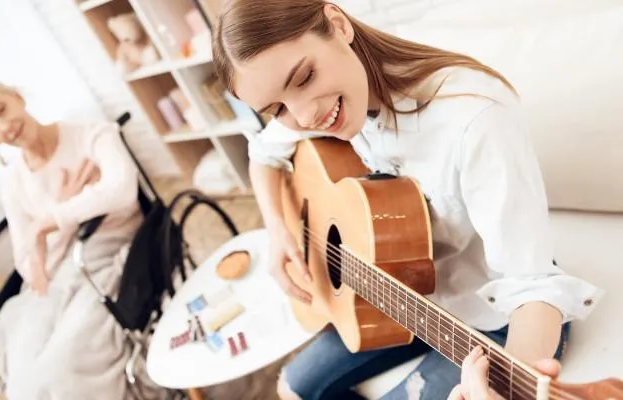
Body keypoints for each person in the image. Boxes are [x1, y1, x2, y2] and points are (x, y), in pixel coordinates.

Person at [212, 1, 603, 399]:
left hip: (495, 320)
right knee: (294, 388)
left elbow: (532, 287)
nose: (305, 115)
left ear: (338, 25)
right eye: (277, 109)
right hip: (403, 293)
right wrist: (279, 231)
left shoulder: (473, 118)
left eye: (305, 77)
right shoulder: (334, 103)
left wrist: (510, 378)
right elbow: (263, 155)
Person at [0, 77, 155, 399]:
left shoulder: (91, 134)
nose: (4, 127)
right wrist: (62, 209)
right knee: (24, 378)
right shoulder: (13, 181)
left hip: (112, 256)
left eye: (0, 109)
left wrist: (48, 222)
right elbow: (28, 264)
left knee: (61, 368)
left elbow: (121, 190)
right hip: (56, 279)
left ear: (17, 95)